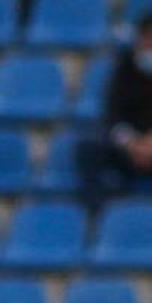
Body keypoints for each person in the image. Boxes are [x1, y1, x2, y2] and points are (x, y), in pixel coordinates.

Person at [78, 13, 152, 204]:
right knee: (89, 148)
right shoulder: (125, 69)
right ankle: (99, 215)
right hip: (131, 145)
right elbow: (113, 115)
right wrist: (132, 143)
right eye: (147, 39)